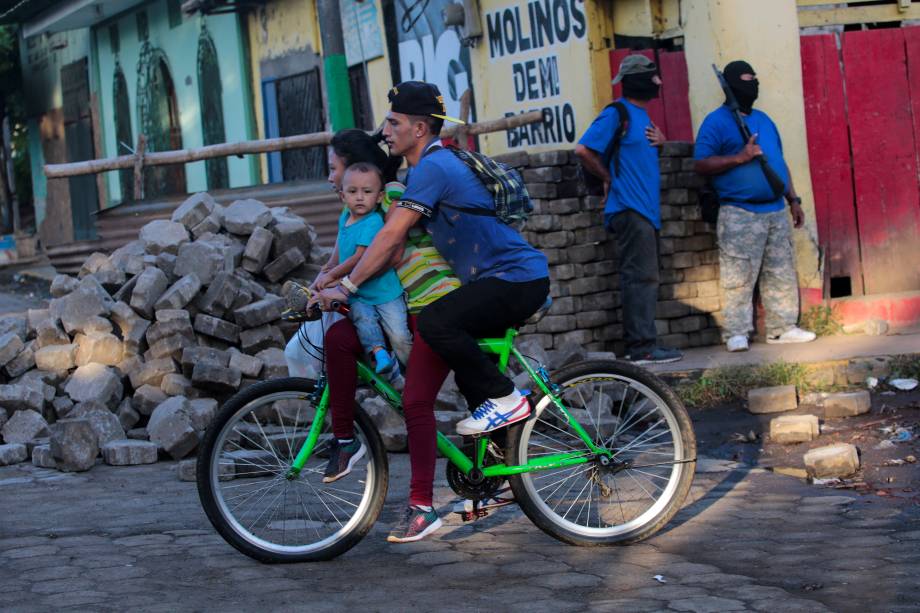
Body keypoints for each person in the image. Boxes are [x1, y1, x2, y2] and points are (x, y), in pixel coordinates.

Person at [314, 81, 550, 543]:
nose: (386, 130)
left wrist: (348, 283)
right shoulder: (421, 170)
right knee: (429, 362)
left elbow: (390, 238)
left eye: (394, 122)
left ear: (419, 128)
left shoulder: (435, 167)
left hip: (515, 278)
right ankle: (480, 461)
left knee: (440, 323)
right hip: (491, 281)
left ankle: (504, 402)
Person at [694, 60, 816, 352]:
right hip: (739, 212)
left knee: (781, 272)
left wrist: (793, 199)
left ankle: (782, 327)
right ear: (733, 84)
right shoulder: (716, 122)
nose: (753, 84)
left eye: (755, 79)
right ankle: (736, 332)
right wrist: (740, 157)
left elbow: (779, 163)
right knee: (739, 275)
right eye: (747, 79)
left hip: (775, 209)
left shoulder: (765, 120)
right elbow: (701, 163)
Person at [574, 54, 683, 365]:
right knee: (640, 278)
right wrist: (609, 177)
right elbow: (583, 149)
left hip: (645, 210)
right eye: (653, 77)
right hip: (629, 208)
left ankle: (645, 344)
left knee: (645, 277)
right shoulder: (616, 113)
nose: (659, 83)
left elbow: (637, 154)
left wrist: (661, 142)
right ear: (639, 80)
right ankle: (643, 348)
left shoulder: (640, 116)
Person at [315, 162, 412, 378]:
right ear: (342, 196)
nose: (359, 197)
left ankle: (413, 373)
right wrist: (316, 286)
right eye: (352, 191)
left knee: (399, 335)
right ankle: (380, 355)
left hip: (385, 293)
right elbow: (338, 256)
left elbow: (359, 258)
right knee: (364, 322)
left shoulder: (373, 221)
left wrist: (332, 276)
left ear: (378, 197)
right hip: (358, 294)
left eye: (367, 192)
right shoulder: (345, 218)